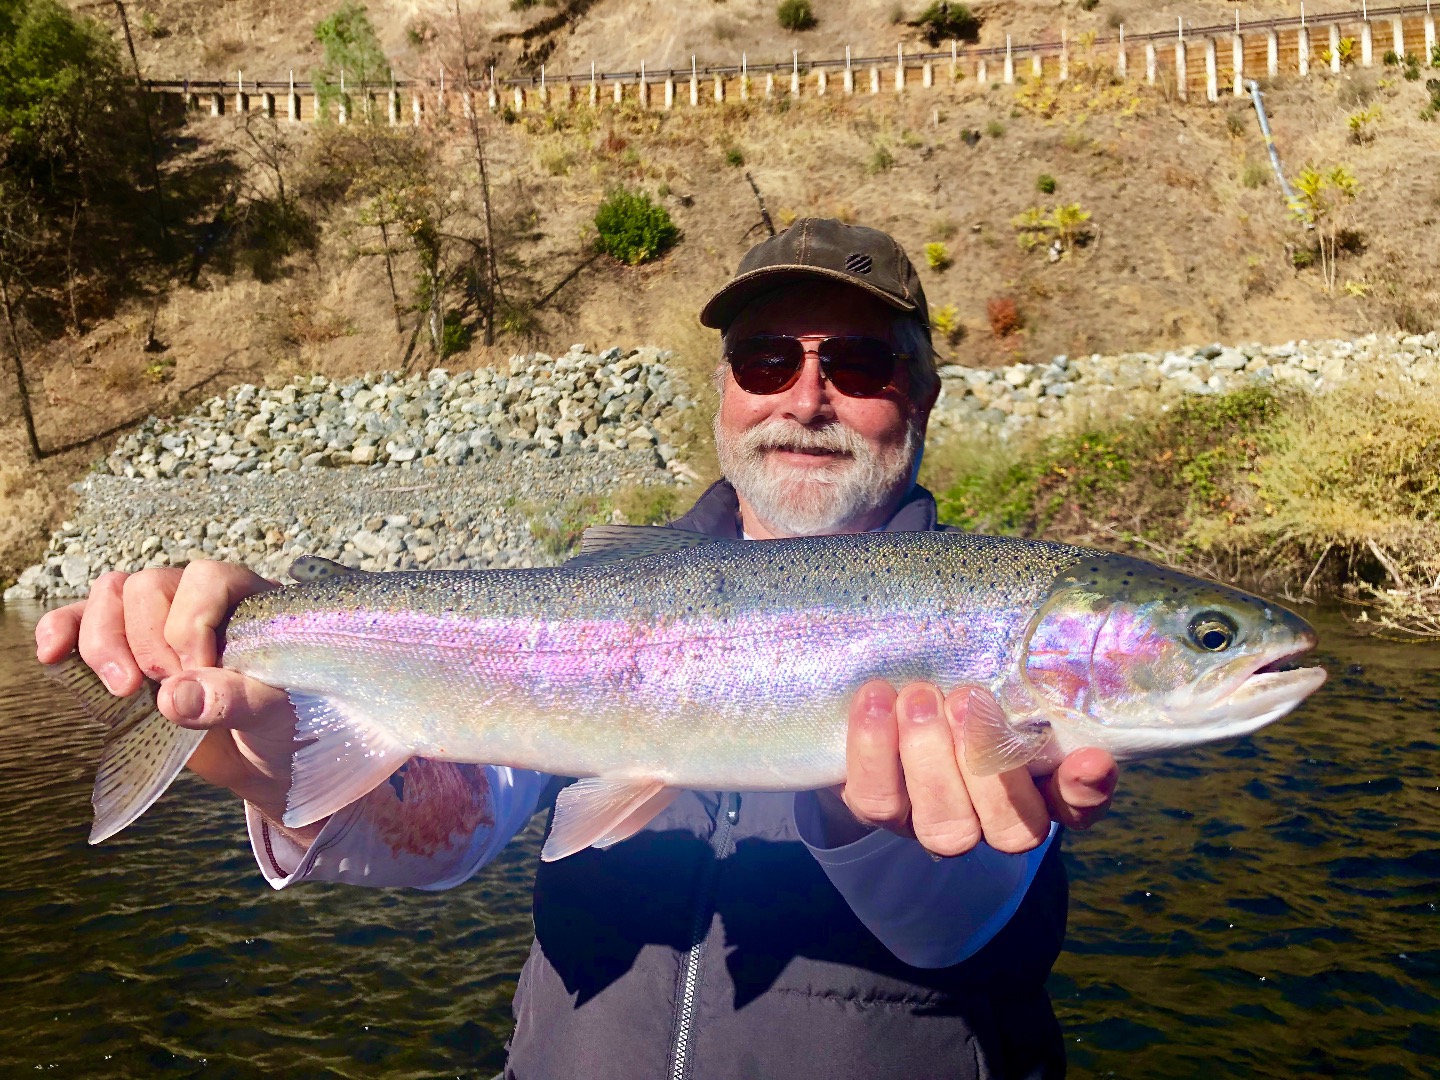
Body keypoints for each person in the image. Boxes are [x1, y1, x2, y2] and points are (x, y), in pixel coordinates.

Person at [37, 218, 1118, 1079]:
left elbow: (949, 927)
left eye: (863, 363)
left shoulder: (982, 619)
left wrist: (867, 818)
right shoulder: (591, 598)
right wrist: (257, 750)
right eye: (764, 357)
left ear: (921, 396)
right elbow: (445, 834)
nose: (806, 395)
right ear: (724, 394)